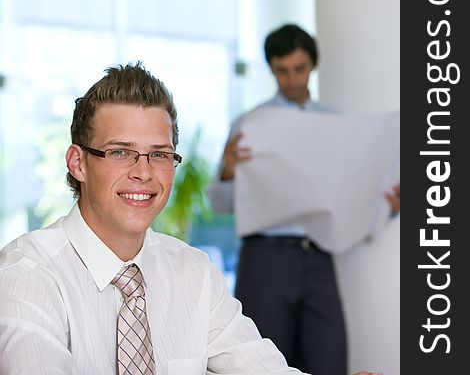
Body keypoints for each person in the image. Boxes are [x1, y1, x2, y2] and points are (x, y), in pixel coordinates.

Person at [0, 61, 381, 375]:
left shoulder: (193, 271)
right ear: (78, 163)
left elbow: (262, 369)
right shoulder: (27, 276)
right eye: (120, 152)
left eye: (159, 154)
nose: (143, 172)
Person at [208, 24, 400, 375]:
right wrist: (227, 170)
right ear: (271, 69)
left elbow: (351, 201)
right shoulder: (250, 123)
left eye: (299, 69)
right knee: (257, 364)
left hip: (318, 256)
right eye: (282, 70)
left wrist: (387, 207)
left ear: (312, 66)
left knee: (330, 358)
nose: (291, 79)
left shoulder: (337, 125)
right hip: (264, 258)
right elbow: (219, 204)